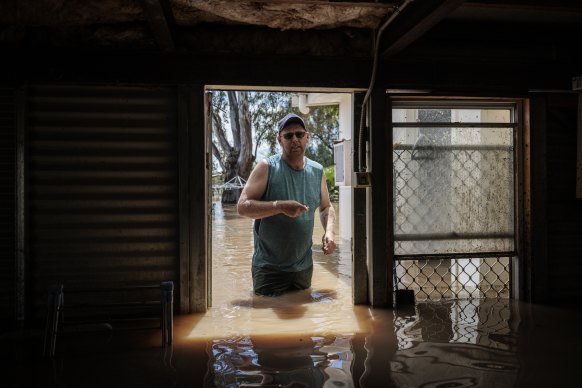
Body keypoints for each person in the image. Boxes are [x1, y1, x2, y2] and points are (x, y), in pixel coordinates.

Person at [237, 112, 337, 297]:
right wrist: (279, 206)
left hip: (303, 267)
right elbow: (242, 207)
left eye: (299, 134)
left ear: (308, 137)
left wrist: (329, 232)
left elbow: (326, 207)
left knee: (304, 319)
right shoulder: (267, 167)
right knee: (265, 320)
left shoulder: (317, 171)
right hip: (269, 269)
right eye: (288, 136)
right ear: (279, 140)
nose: (295, 140)